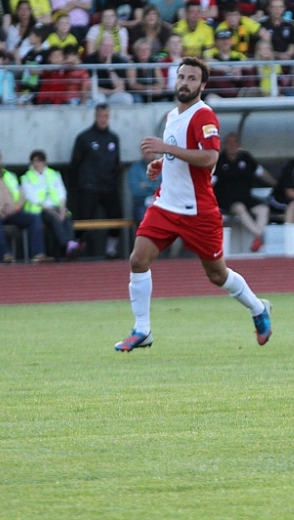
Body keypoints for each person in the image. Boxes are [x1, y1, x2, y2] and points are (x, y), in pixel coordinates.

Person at [115, 58, 273, 351]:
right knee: (138, 260)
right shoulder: (172, 116)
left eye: (191, 78)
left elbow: (210, 157)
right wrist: (162, 163)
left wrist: (166, 149)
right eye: (181, 77)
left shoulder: (204, 116)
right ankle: (142, 329)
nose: (184, 83)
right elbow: (182, 155)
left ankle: (258, 308)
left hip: (197, 210)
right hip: (166, 205)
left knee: (217, 275)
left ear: (202, 85)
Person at [69, 104, 123, 259]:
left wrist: (112, 180)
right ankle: (77, 246)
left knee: (117, 216)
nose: (103, 119)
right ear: (95, 116)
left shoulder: (113, 138)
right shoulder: (84, 138)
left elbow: (117, 163)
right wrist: (81, 182)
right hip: (89, 186)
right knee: (83, 217)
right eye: (101, 116)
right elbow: (75, 164)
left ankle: (111, 249)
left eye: (106, 116)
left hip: (108, 187)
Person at [212, 132, 276, 253]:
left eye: (234, 142)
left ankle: (258, 239)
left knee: (263, 209)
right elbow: (210, 183)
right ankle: (260, 235)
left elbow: (262, 173)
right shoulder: (219, 161)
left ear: (239, 144)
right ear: (224, 145)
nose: (232, 145)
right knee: (239, 207)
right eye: (229, 142)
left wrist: (277, 184)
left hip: (246, 197)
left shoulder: (246, 158)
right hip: (226, 199)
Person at [20, 149, 78, 259]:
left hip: (56, 207)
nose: (37, 164)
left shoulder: (54, 174)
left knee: (67, 217)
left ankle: (70, 244)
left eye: (39, 161)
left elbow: (61, 192)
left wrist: (62, 208)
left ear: (44, 162)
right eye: (34, 161)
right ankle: (68, 244)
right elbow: (32, 197)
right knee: (54, 218)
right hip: (39, 210)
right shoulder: (27, 178)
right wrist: (51, 211)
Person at [0, 146, 48, 263]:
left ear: (0, 160)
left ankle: (38, 254)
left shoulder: (10, 175)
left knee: (34, 217)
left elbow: (21, 195)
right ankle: (6, 254)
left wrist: (15, 208)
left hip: (13, 212)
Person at [128, 144, 160, 225]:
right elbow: (135, 191)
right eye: (146, 149)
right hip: (142, 204)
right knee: (143, 217)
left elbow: (165, 189)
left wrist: (146, 185)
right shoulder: (135, 167)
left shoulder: (163, 166)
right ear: (141, 151)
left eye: (151, 149)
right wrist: (154, 187)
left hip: (160, 203)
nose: (148, 152)